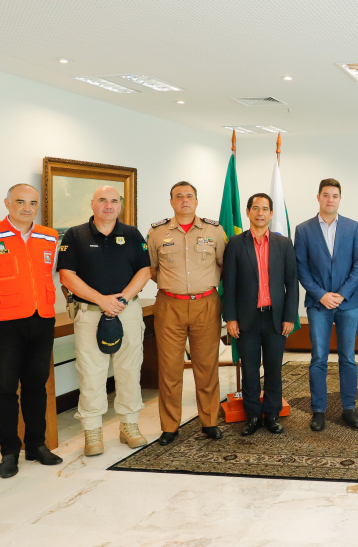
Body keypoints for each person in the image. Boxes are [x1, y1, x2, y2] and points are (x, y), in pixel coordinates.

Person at [57, 186, 152, 456]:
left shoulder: (132, 234)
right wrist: (102, 300)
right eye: (102, 200)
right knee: (91, 373)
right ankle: (92, 431)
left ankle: (129, 426)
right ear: (92, 204)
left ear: (119, 206)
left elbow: (145, 271)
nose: (108, 205)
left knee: (129, 370)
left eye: (113, 201)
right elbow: (66, 275)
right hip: (89, 313)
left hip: (127, 311)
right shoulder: (75, 235)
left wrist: (120, 300)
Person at [0, 184, 63, 478]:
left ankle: (36, 445)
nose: (27, 208)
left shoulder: (49, 237)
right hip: (3, 323)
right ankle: (9, 451)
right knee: (4, 387)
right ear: (7, 203)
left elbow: (51, 275)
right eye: (20, 202)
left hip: (41, 321)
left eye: (32, 203)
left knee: (36, 385)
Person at [146, 181, 227, 445]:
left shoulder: (214, 231)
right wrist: (176, 287)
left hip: (206, 304)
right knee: (169, 368)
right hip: (170, 305)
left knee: (207, 367)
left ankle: (210, 422)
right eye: (178, 196)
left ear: (196, 201)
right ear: (171, 201)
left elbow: (223, 264)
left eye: (189, 196)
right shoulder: (157, 232)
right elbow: (152, 270)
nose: (184, 200)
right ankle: (170, 426)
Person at [222, 193, 299, 436]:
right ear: (248, 212)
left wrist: (290, 316)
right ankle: (253, 415)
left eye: (265, 209)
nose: (260, 213)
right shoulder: (236, 243)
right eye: (255, 208)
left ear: (271, 213)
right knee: (250, 370)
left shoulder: (283, 244)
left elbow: (292, 283)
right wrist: (230, 318)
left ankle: (273, 414)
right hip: (247, 319)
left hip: (276, 318)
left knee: (274, 369)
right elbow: (229, 283)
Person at [294, 178, 358, 431]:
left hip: (347, 304)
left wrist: (342, 294)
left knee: (348, 357)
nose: (330, 200)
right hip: (318, 305)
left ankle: (349, 408)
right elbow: (301, 268)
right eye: (326, 195)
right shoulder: (303, 230)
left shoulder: (353, 227)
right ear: (318, 197)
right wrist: (321, 295)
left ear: (340, 199)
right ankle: (318, 411)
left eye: (335, 196)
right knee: (318, 358)